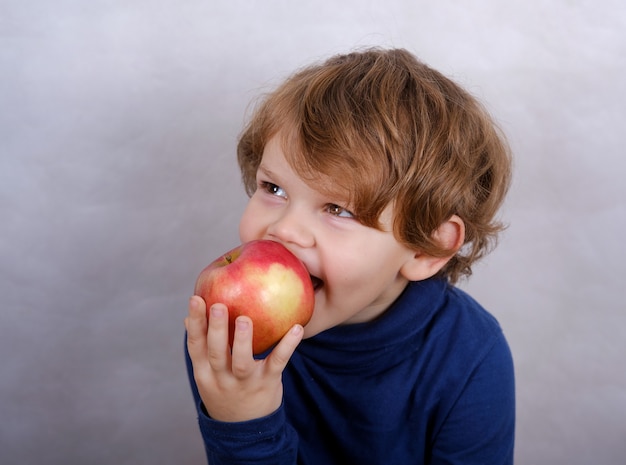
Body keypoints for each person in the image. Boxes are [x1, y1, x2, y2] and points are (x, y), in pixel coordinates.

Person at [184, 47, 515, 464]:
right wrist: (244, 422)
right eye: (274, 189)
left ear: (426, 248)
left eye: (338, 209)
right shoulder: (230, 333)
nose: (284, 229)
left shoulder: (470, 357)